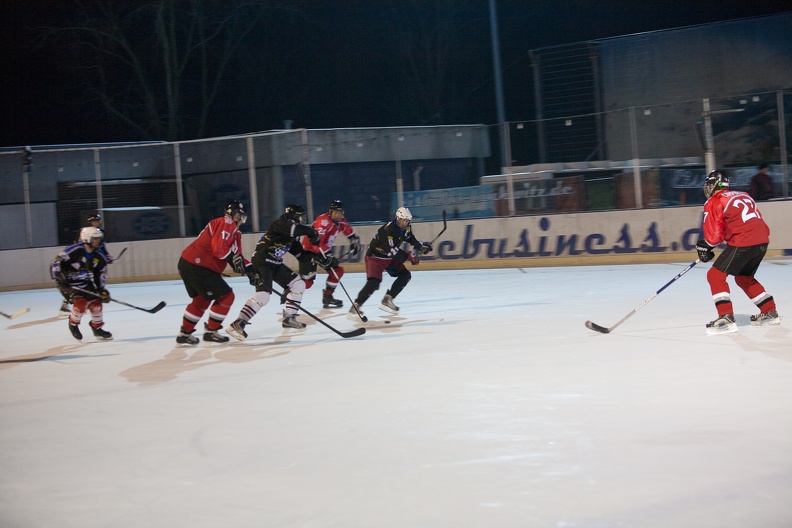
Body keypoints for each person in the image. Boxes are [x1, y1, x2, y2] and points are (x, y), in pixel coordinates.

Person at [695, 170, 779, 334]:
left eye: (709, 184)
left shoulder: (714, 200)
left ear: (714, 185)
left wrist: (706, 246)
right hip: (761, 240)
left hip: (744, 242)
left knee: (715, 275)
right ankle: (769, 311)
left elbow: (714, 236)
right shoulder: (744, 195)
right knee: (743, 278)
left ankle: (726, 318)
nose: (708, 188)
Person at [225, 204, 320, 341]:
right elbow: (296, 229)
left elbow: (301, 255)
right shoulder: (282, 223)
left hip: (275, 263)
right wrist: (311, 232)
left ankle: (289, 317)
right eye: (301, 217)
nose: (302, 220)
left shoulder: (292, 234)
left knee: (298, 285)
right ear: (294, 216)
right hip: (262, 261)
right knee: (263, 295)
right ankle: (239, 323)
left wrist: (318, 258)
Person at [176, 200, 251, 345]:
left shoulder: (234, 232)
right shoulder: (225, 223)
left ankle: (184, 334)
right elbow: (219, 251)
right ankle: (212, 331)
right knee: (226, 297)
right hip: (199, 266)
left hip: (189, 264)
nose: (239, 219)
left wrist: (251, 269)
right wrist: (233, 260)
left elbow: (236, 258)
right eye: (237, 215)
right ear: (230, 214)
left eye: (240, 216)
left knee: (201, 301)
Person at [349, 206, 432, 317]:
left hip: (389, 257)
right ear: (397, 218)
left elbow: (410, 238)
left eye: (407, 221)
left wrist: (420, 247)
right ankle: (356, 305)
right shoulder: (387, 230)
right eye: (402, 220)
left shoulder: (407, 228)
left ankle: (388, 299)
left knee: (405, 275)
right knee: (374, 282)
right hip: (375, 257)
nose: (404, 223)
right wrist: (410, 256)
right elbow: (391, 251)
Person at [51, 226, 113, 341]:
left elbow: (100, 274)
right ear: (87, 239)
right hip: (68, 284)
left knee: (96, 303)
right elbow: (56, 262)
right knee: (81, 303)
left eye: (99, 239)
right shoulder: (74, 250)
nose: (98, 241)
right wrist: (59, 276)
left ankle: (97, 328)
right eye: (96, 239)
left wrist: (101, 290)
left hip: (84, 283)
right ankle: (73, 324)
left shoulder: (99, 256)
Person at [298, 199, 362, 308]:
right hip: (309, 250)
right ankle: (289, 291)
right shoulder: (323, 222)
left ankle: (328, 297)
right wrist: (328, 255)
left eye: (339, 213)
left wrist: (354, 240)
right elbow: (317, 243)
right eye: (335, 212)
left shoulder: (341, 220)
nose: (337, 215)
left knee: (337, 271)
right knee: (308, 283)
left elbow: (347, 229)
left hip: (322, 250)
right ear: (330, 212)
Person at [58, 213, 115, 316]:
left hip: (91, 259)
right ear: (90, 222)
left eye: (97, 221)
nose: (96, 223)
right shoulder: (83, 232)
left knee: (90, 283)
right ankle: (67, 303)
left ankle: (89, 303)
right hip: (81, 261)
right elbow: (77, 245)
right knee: (75, 283)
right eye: (94, 221)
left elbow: (101, 247)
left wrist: (107, 256)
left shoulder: (100, 232)